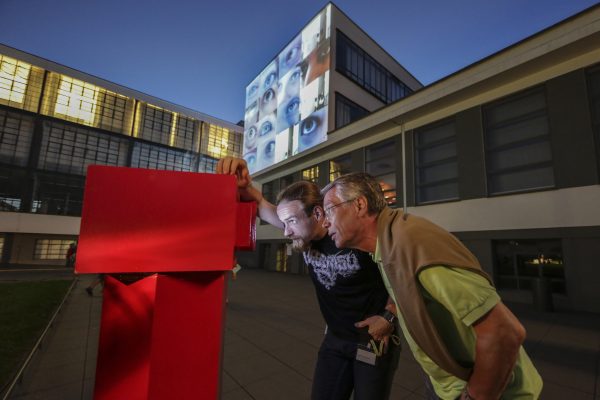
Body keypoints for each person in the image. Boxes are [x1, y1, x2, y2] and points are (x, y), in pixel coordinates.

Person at [320, 172, 543, 400]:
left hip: (485, 390)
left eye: (329, 210)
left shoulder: (412, 246)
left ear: (359, 204)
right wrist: (387, 317)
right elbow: (406, 294)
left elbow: (504, 332)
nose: (325, 222)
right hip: (446, 384)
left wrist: (476, 395)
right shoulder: (387, 246)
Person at [217, 157, 400, 400]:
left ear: (317, 213)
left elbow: (402, 275)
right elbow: (261, 203)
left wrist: (389, 315)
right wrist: (245, 185)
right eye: (284, 222)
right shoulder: (301, 233)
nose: (285, 231)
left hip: (374, 338)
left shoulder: (351, 235)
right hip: (335, 339)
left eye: (291, 221)